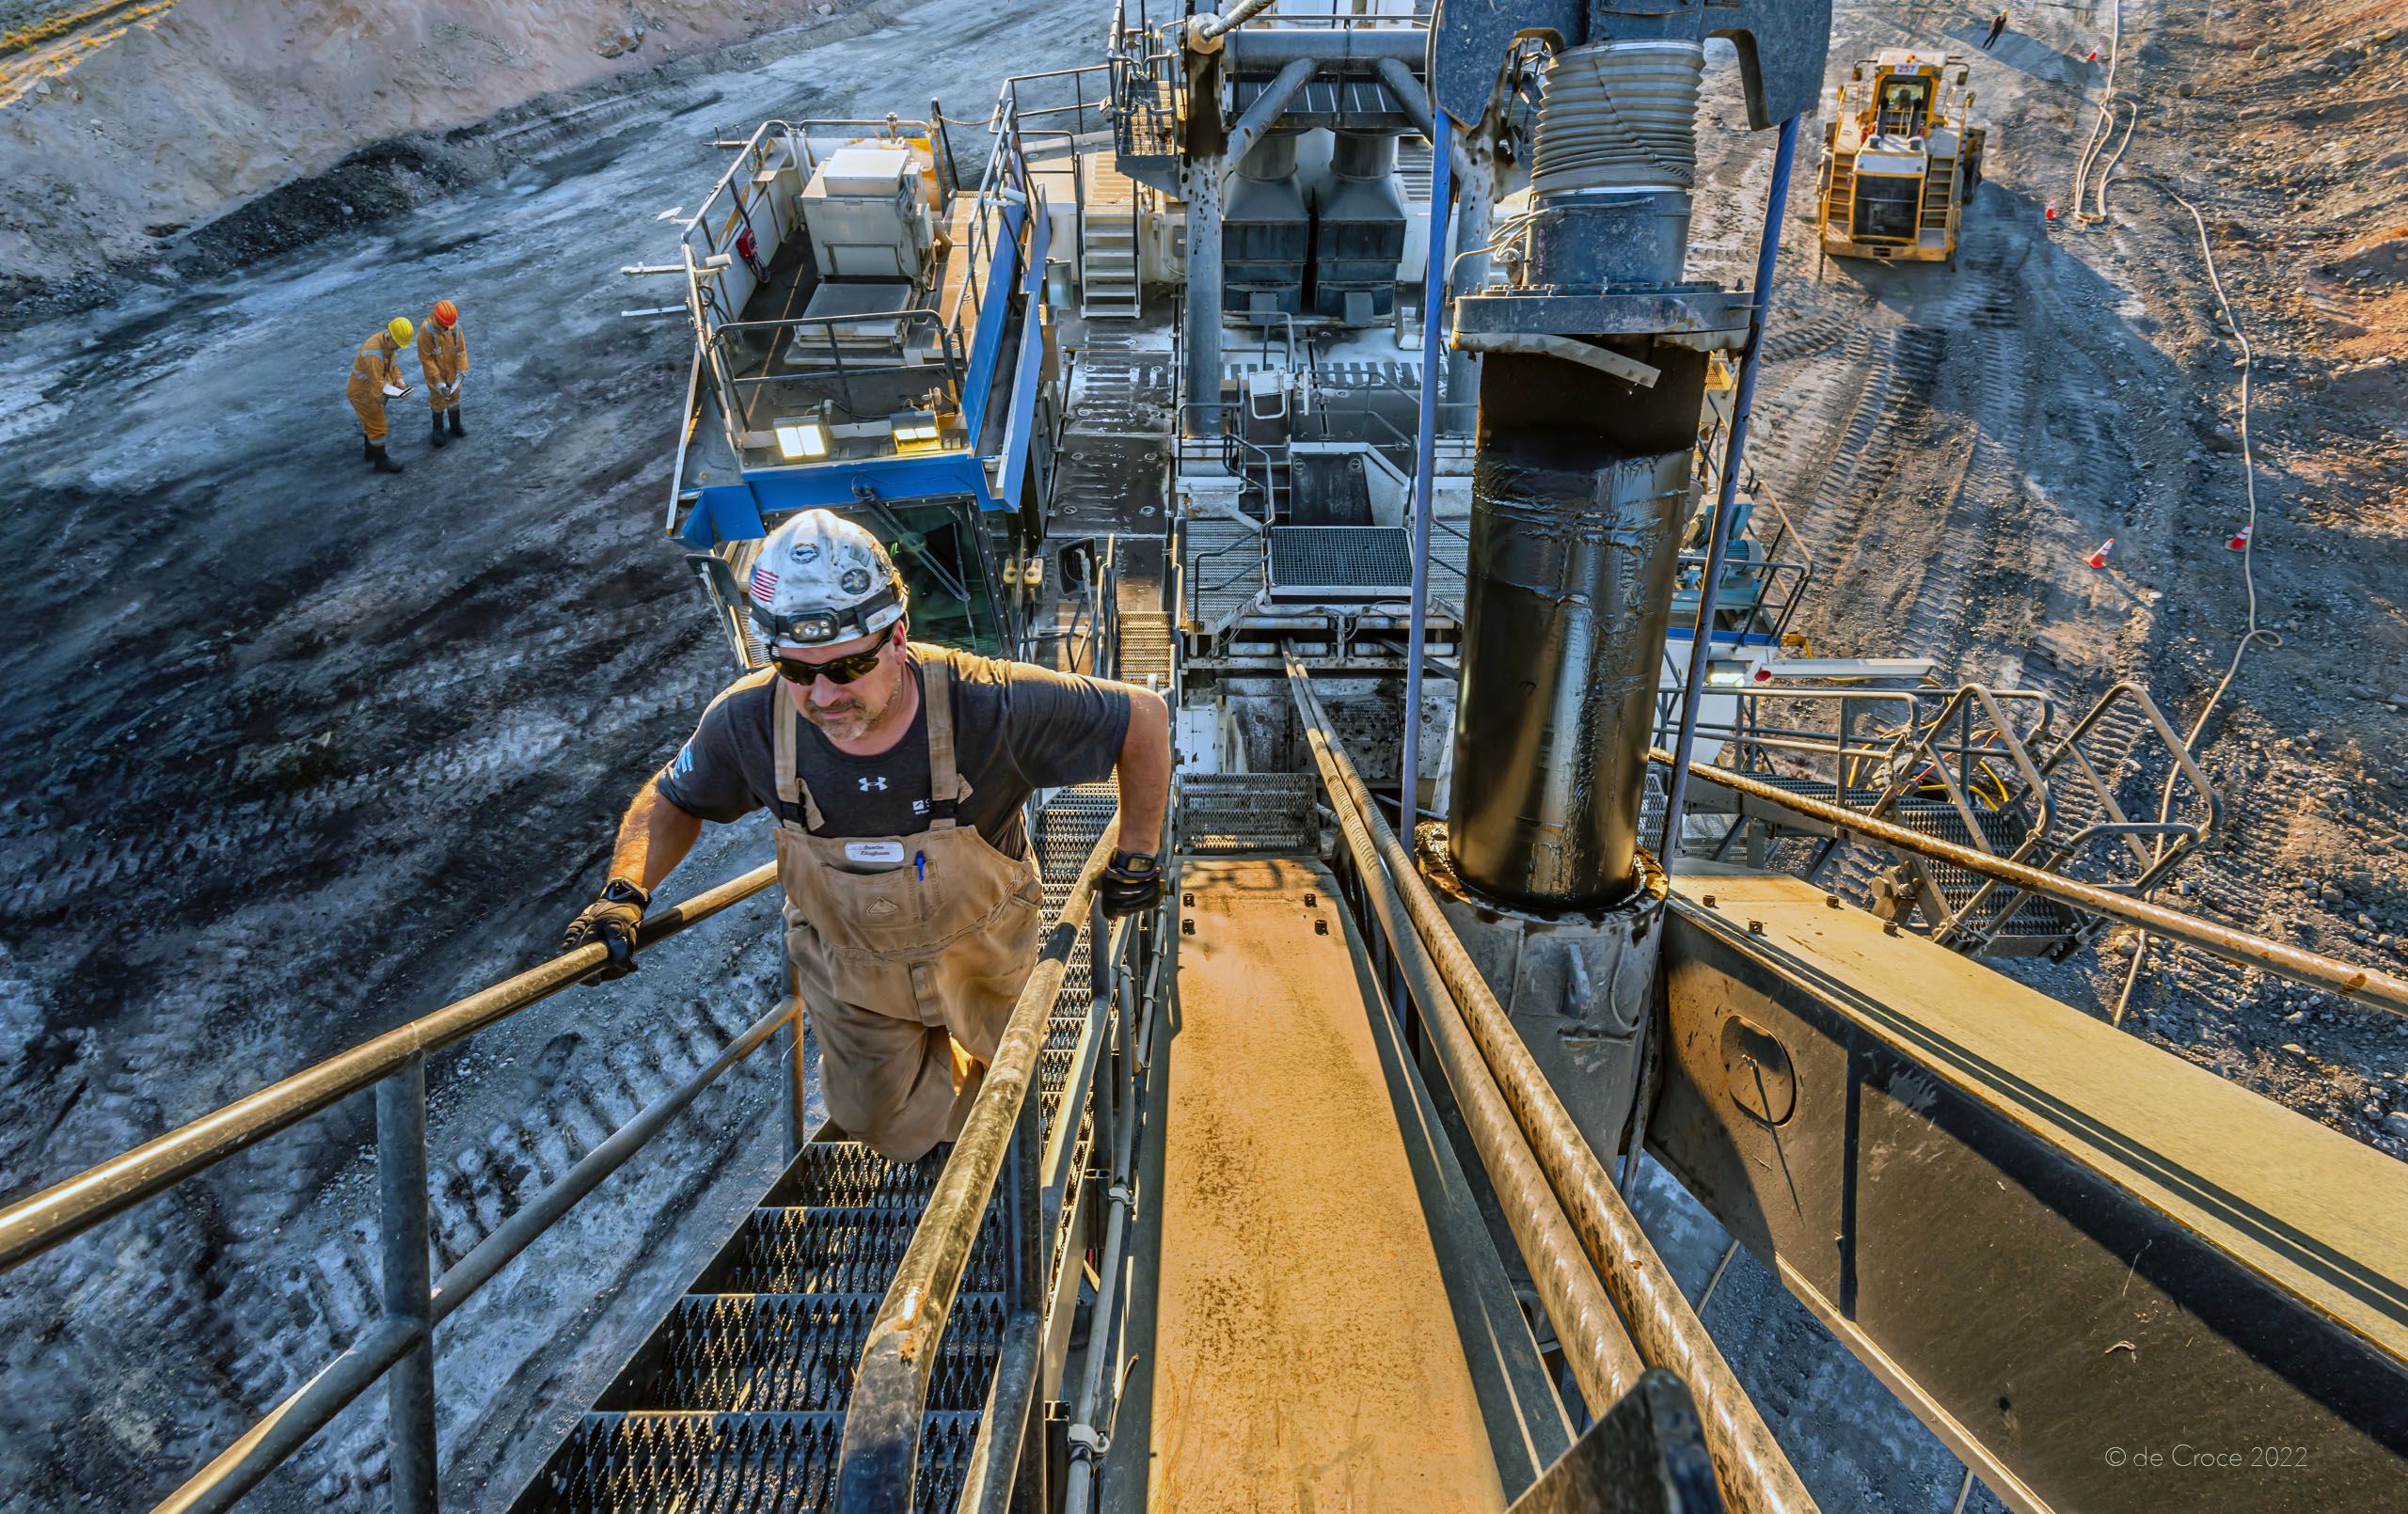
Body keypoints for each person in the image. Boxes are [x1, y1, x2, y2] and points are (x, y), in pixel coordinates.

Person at [563, 511, 1172, 1161]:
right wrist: (625, 892)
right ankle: (954, 1132)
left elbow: (1141, 718)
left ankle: (994, 1150)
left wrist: (1137, 856)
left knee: (1013, 1082)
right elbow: (672, 797)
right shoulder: (749, 722)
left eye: (849, 666)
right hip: (853, 968)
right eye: (797, 672)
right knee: (872, 1116)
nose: (824, 696)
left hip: (983, 950)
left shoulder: (987, 703)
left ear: (897, 637)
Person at [347, 317, 414, 474]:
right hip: (363, 393)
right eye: (398, 345)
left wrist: (399, 380)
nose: (398, 348)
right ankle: (381, 460)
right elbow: (378, 385)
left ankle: (370, 452)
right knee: (378, 425)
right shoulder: (373, 354)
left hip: (367, 390)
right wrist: (396, 394)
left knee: (370, 423)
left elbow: (392, 365)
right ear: (391, 337)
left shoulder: (387, 343)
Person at [418, 299, 469, 448]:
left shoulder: (454, 327)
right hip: (436, 371)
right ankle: (438, 429)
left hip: (452, 370)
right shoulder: (426, 331)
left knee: (454, 397)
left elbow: (460, 350)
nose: (448, 328)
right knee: (438, 399)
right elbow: (426, 358)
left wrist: (462, 370)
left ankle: (455, 425)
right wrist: (438, 381)